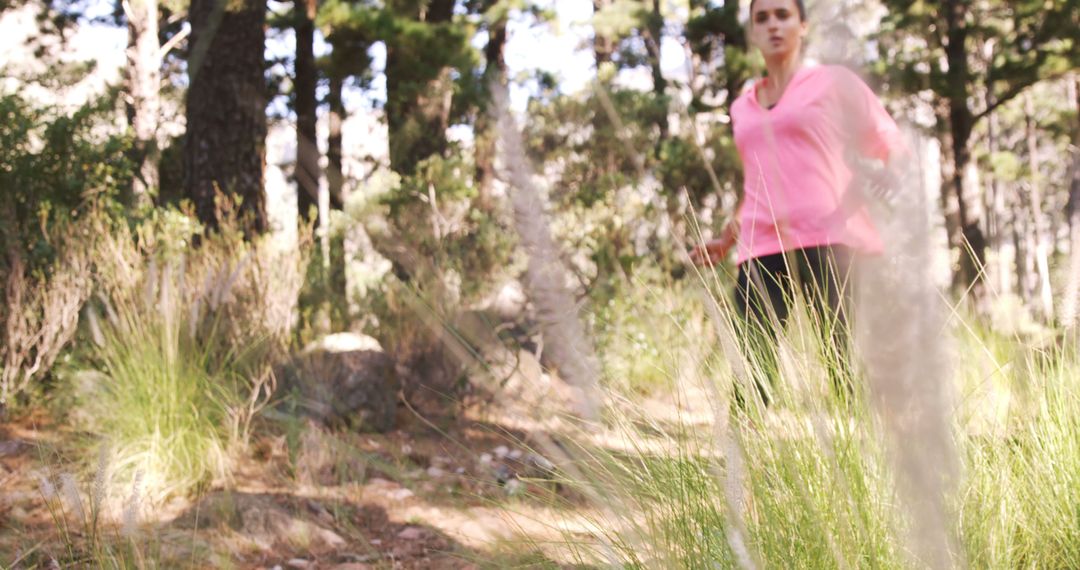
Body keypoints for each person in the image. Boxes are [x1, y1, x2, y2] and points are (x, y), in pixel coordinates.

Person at [688, 0, 905, 405]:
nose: (773, 25)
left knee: (848, 371)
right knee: (752, 378)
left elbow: (889, 140)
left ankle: (869, 464)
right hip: (761, 247)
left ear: (802, 26)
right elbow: (759, 182)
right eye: (762, 18)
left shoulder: (833, 83)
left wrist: (885, 173)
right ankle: (744, 467)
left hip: (833, 240)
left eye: (783, 15)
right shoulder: (742, 107)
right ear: (752, 31)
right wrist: (725, 240)